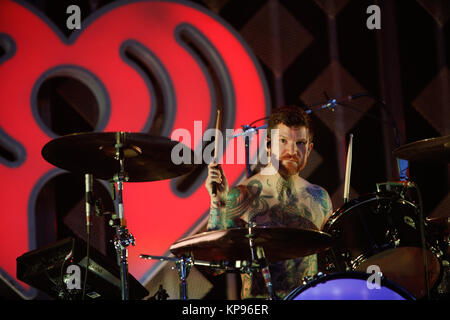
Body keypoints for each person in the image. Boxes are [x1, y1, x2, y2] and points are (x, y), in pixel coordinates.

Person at [205, 105, 333, 299]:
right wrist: (218, 203)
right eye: (283, 141)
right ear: (268, 145)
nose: (292, 151)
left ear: (309, 149)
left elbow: (330, 263)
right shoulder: (241, 196)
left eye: (300, 143)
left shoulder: (320, 198)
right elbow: (216, 268)